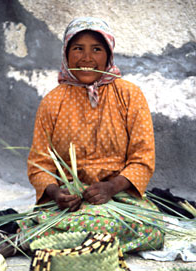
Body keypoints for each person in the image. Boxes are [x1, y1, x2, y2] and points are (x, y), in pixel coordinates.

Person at [14, 17, 165, 255]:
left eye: (96, 49)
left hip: (119, 199)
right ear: (66, 52)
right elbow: (39, 164)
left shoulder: (130, 96)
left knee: (152, 231)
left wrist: (111, 187)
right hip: (69, 203)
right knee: (95, 225)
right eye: (78, 49)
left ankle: (33, 240)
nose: (86, 58)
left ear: (109, 55)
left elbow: (143, 159)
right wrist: (56, 193)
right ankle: (62, 239)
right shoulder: (52, 102)